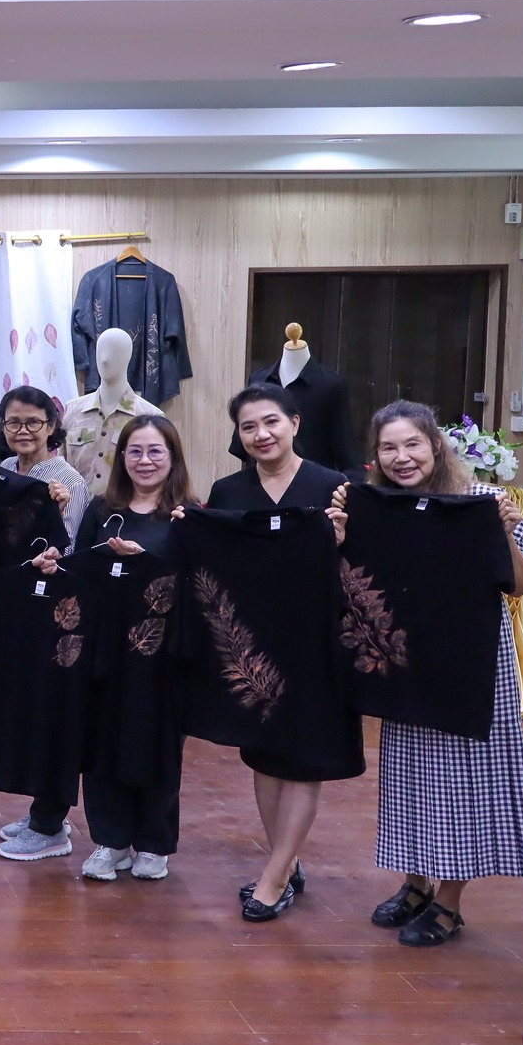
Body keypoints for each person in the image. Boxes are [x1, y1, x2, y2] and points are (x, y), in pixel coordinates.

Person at [354, 401, 523, 947]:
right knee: (410, 776)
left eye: (412, 443)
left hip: (472, 665)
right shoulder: (379, 506)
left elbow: (518, 584)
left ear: (436, 445)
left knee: (463, 781)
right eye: (388, 448)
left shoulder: (482, 500)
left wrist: (504, 529)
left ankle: (450, 902)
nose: (401, 457)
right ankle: (415, 884)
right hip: (408, 665)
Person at [206, 384, 354, 921]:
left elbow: (361, 568)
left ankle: (273, 877)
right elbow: (214, 564)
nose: (261, 434)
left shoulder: (335, 487)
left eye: (270, 422)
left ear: (294, 423)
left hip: (318, 641)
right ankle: (284, 862)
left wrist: (342, 543)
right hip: (253, 646)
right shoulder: (227, 491)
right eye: (248, 427)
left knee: (303, 756)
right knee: (264, 755)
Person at [51, 414, 195, 882]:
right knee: (102, 742)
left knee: (156, 744)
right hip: (104, 649)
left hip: (162, 655)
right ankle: (110, 840)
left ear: (172, 457)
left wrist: (147, 561)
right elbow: (79, 571)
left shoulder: (188, 514)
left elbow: (200, 586)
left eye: (155, 451)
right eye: (135, 451)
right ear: (122, 458)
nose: (144, 460)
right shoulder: (101, 510)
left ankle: (154, 842)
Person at [0, 385, 91, 862]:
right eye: (14, 422)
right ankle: (42, 811)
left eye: (34, 422)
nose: (23, 430)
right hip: (15, 605)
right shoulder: (5, 470)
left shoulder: (67, 479)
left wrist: (59, 511)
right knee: (27, 709)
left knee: (52, 712)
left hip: (54, 609)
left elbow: (72, 549)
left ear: (52, 426)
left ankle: (51, 824)